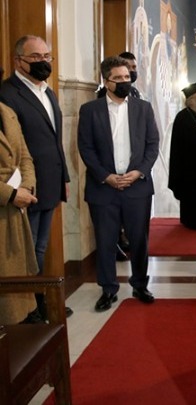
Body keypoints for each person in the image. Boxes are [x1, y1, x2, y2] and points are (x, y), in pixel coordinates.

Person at [77, 56, 159, 312]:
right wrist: (106, 176)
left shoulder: (143, 108)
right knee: (105, 240)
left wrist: (139, 172)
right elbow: (86, 148)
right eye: (119, 78)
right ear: (106, 81)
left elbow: (152, 145)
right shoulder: (90, 110)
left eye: (127, 77)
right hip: (103, 188)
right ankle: (108, 289)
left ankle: (140, 285)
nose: (125, 81)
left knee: (139, 240)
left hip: (137, 186)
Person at [0, 35, 72, 321]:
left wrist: (64, 176)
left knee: (40, 247)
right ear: (19, 61)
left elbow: (55, 140)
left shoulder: (48, 92)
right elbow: (16, 149)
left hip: (48, 183)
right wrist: (23, 186)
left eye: (46, 56)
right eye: (35, 57)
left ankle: (39, 302)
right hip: (21, 189)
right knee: (26, 252)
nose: (43, 62)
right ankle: (29, 306)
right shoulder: (8, 94)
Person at [0, 100, 40, 325]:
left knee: (17, 274)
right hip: (6, 201)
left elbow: (25, 157)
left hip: (15, 210)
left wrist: (26, 187)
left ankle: (19, 327)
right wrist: (11, 194)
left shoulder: (7, 112)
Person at [168, 82, 196, 230]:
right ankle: (191, 221)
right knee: (191, 195)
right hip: (189, 168)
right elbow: (176, 147)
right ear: (190, 100)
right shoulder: (182, 118)